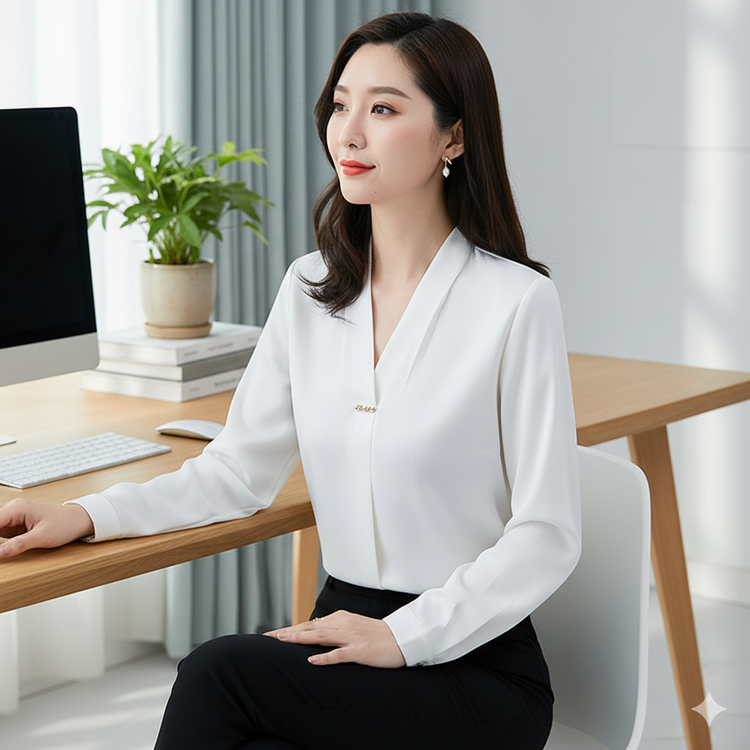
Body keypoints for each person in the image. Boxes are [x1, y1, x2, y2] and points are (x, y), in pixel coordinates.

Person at [0, 12, 580, 750]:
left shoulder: (515, 303)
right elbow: (238, 471)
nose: (350, 132)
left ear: (454, 138)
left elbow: (547, 534)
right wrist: (83, 514)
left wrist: (401, 635)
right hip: (341, 637)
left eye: (384, 108)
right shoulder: (312, 288)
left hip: (474, 663)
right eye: (341, 105)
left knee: (217, 675)